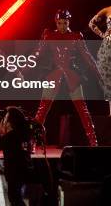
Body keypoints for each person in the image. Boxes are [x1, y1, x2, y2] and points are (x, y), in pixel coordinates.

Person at [33, 9, 101, 146]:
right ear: (56, 22)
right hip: (55, 73)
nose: (62, 26)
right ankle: (32, 142)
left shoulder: (76, 36)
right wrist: (22, 69)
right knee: (42, 108)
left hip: (71, 74)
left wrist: (99, 74)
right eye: (59, 23)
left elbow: (87, 56)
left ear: (69, 22)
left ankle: (94, 142)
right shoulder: (49, 35)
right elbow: (37, 54)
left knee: (82, 109)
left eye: (64, 23)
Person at [0, 106, 33, 206]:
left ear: (10, 122)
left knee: (15, 200)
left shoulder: (10, 137)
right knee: (19, 199)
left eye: (6, 118)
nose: (3, 121)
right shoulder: (24, 133)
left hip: (15, 175)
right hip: (26, 172)